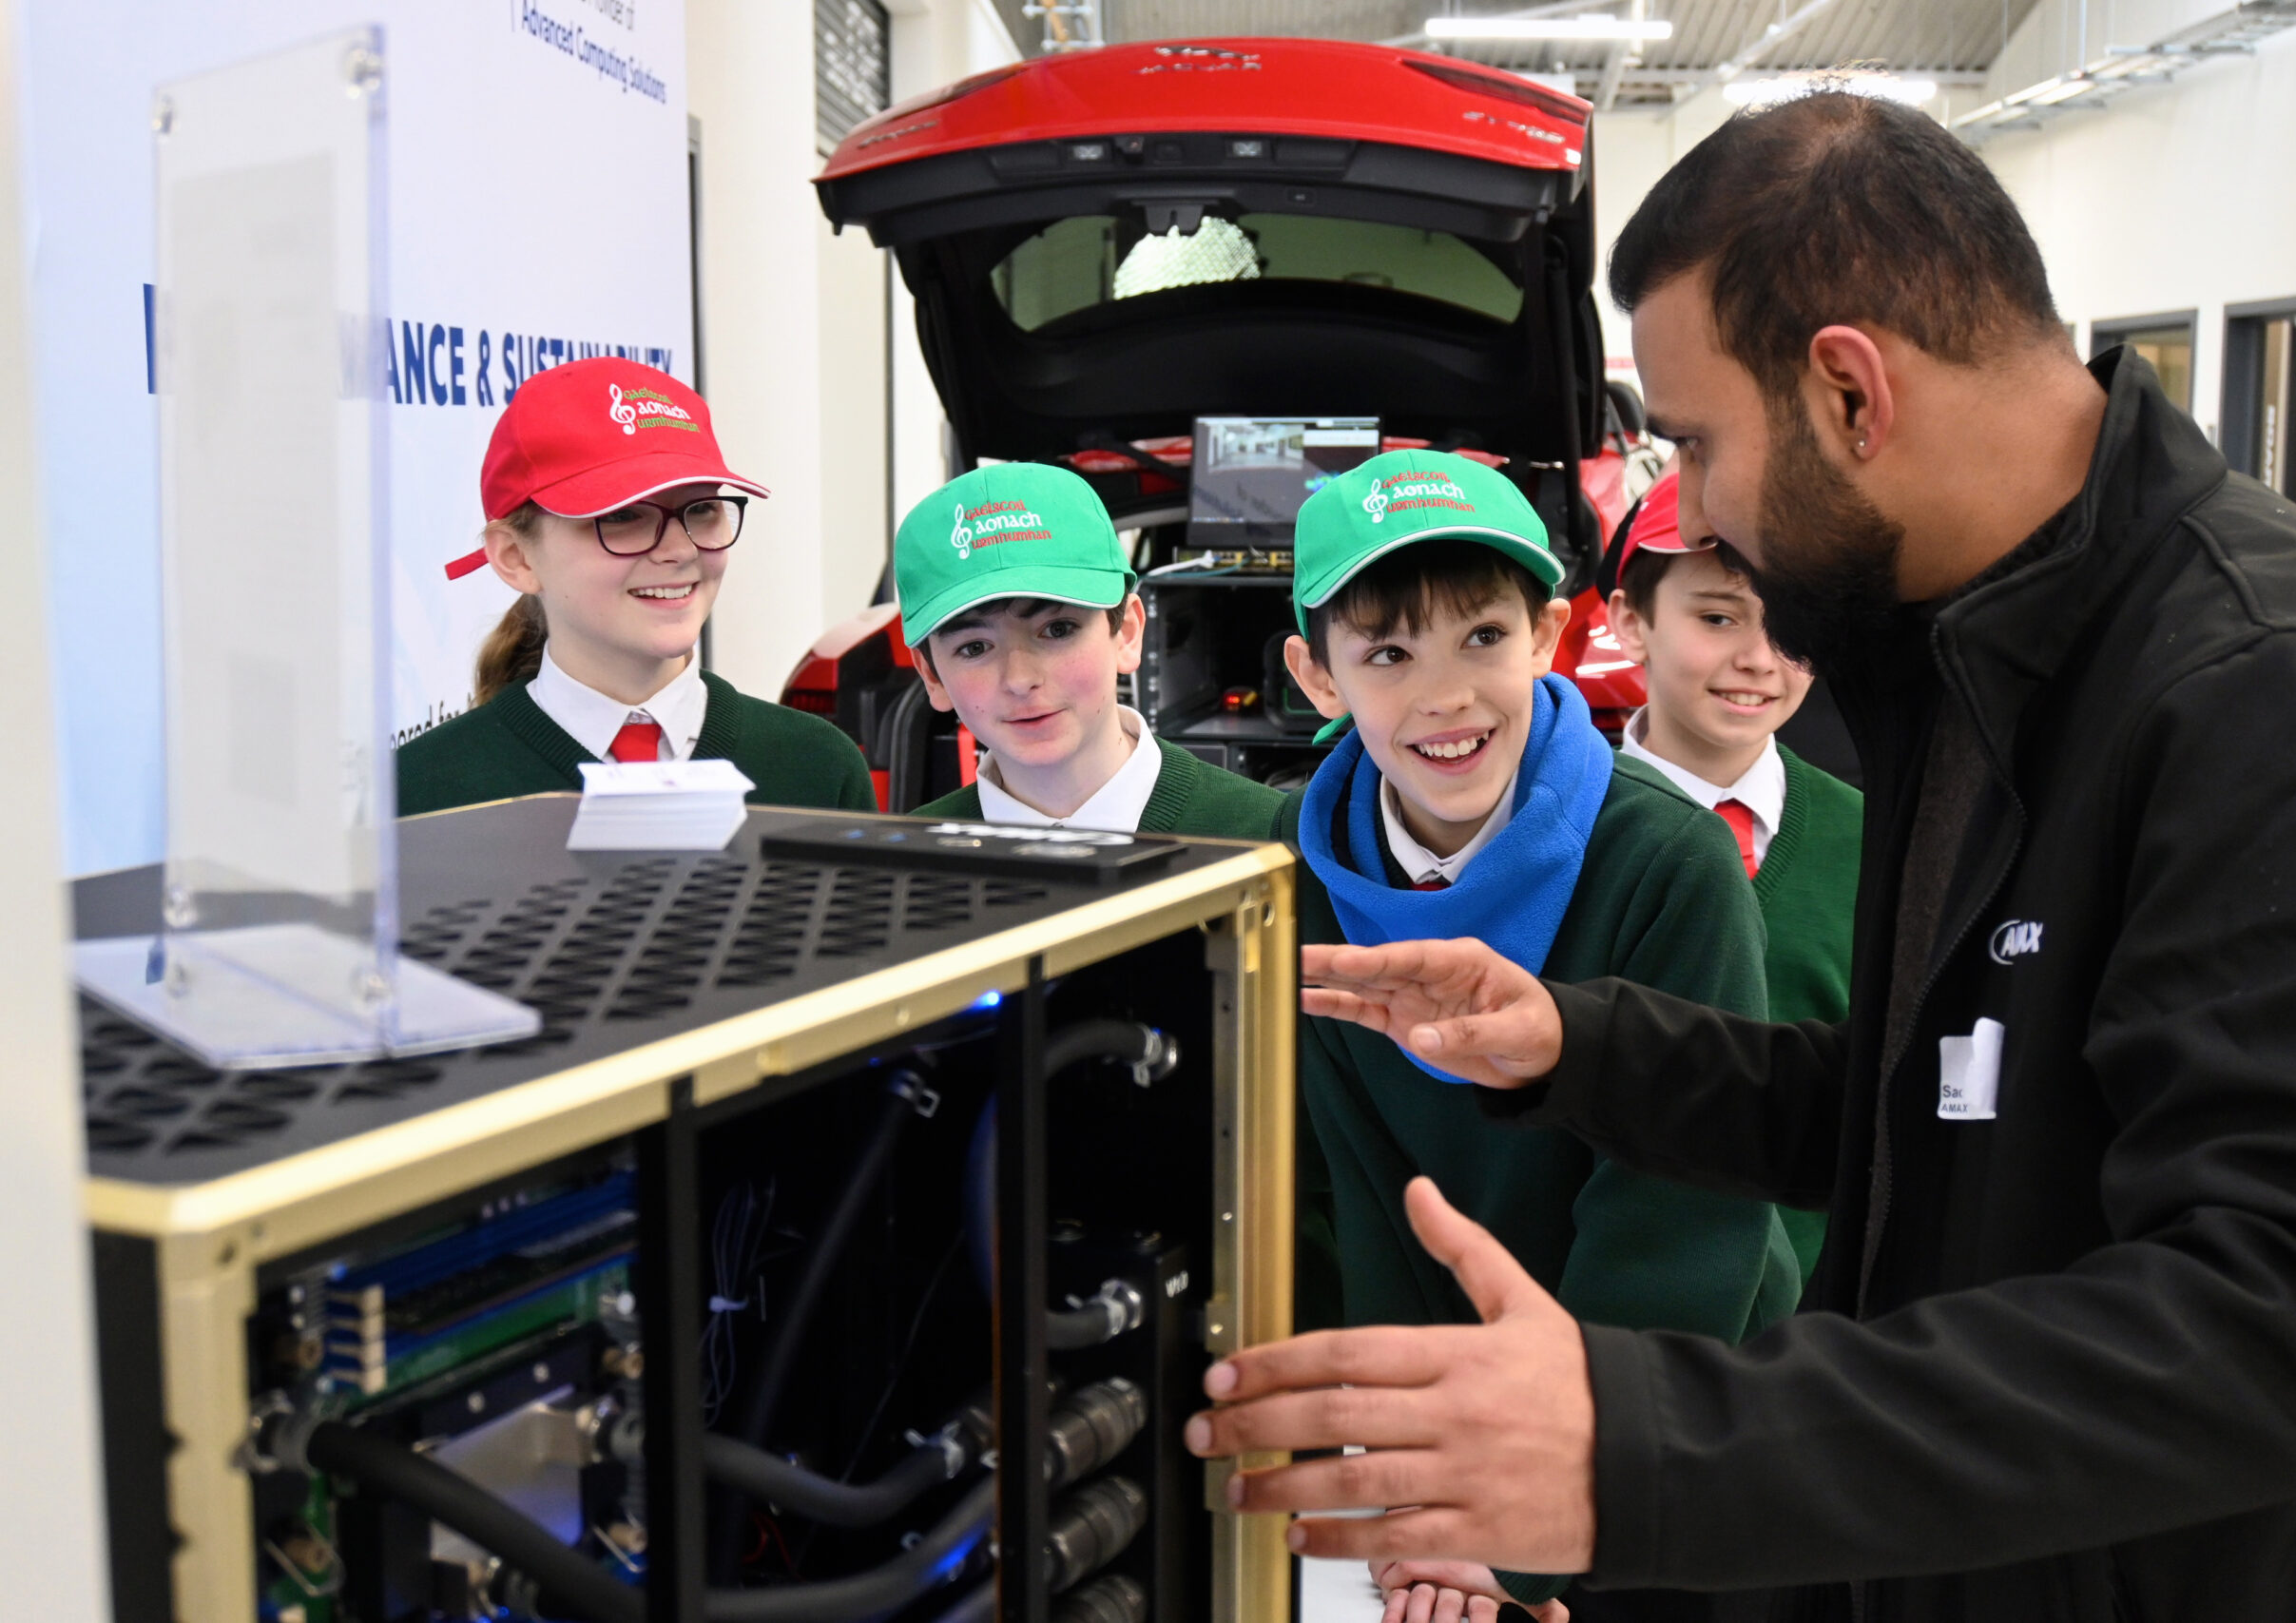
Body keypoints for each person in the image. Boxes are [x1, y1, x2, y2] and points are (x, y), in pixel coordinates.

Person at [1186, 90, 2296, 1623]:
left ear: (1851, 392)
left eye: (1701, 443)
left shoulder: (2273, 694)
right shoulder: (1973, 659)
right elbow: (1952, 1103)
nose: (1694, 506)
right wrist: (1574, 1041)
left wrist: (1642, 1450)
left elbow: (2292, 1321)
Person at [1276, 449, 1802, 1621]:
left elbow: (1681, 1223)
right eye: (1386, 654)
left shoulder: (1666, 864)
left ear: (1551, 633)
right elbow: (1339, 1196)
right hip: (1428, 1449)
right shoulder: (1292, 874)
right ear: (1317, 676)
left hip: (1655, 1430)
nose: (1445, 697)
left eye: (1482, 639)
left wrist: (1523, 1530)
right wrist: (1404, 1487)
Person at [397, 358, 874, 816]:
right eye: (622, 517)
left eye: (703, 508)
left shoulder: (817, 769)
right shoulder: (419, 792)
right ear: (516, 557)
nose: (679, 550)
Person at [1604, 467, 1862, 1280]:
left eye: (1791, 624)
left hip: (1816, 1339)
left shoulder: (1874, 838)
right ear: (1628, 622)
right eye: (1718, 617)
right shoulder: (1557, 831)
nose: (1759, 658)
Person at [897, 462, 1282, 840]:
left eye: (1057, 629)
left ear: (1127, 632)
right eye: (975, 648)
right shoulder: (900, 865)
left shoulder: (1272, 836)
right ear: (931, 675)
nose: (1020, 680)